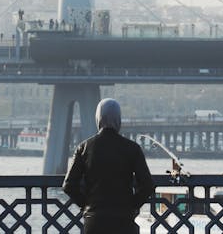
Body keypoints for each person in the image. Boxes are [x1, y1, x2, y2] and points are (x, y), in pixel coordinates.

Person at [63, 98, 154, 234]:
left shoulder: (84, 147)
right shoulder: (132, 148)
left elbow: (69, 185)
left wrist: (86, 206)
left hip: (94, 221)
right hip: (123, 221)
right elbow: (148, 185)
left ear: (98, 119)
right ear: (118, 120)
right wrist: (132, 206)